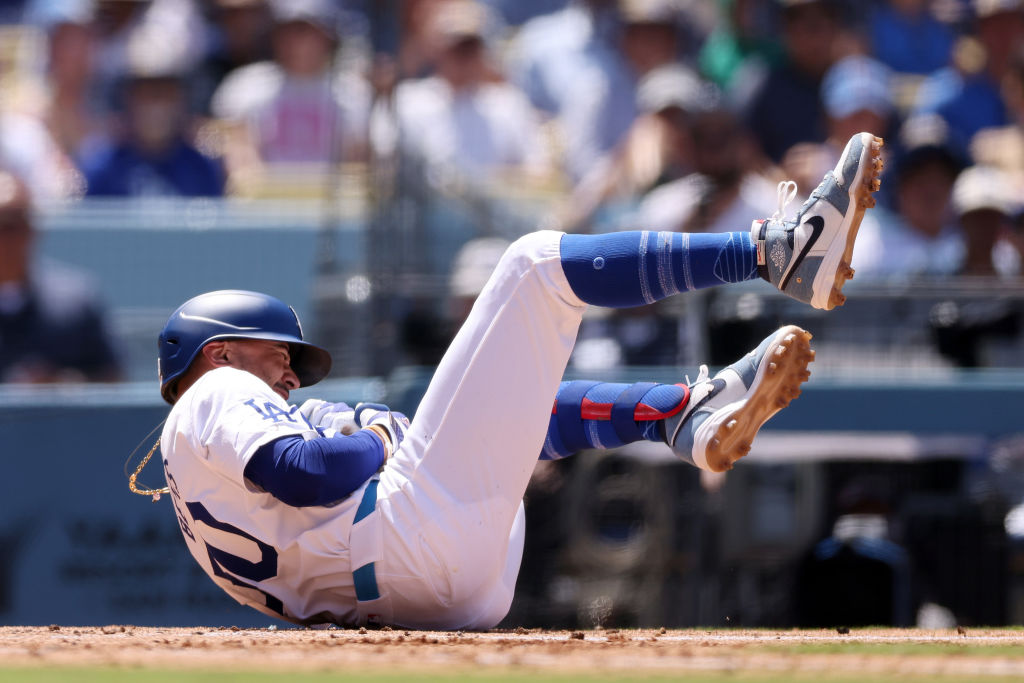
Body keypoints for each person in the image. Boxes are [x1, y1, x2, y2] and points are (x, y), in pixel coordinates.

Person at [148, 133, 883, 629]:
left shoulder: (199, 480)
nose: (287, 368)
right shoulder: (213, 393)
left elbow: (308, 478)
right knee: (534, 266)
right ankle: (775, 251)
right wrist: (374, 433)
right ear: (215, 353)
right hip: (407, 547)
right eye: (274, 351)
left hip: (424, 594)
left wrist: (375, 437)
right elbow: (308, 472)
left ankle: (680, 413)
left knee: (521, 408)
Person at [0, 170, 120, 383]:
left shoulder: (75, 301)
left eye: (10, 226)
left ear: (31, 229)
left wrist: (63, 384)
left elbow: (113, 380)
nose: (3, 239)